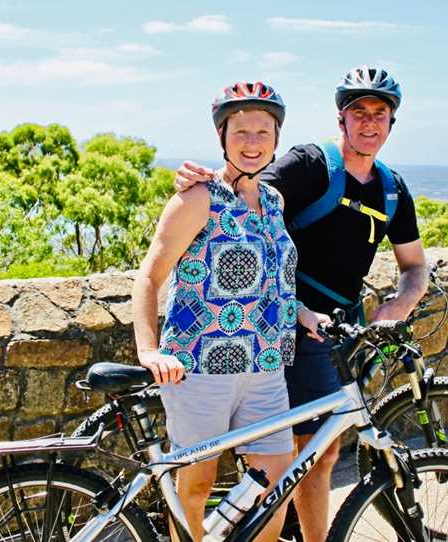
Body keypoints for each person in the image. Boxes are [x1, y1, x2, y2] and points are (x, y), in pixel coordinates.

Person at [173, 66, 429, 542]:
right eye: (359, 113)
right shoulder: (311, 165)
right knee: (298, 454)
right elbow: (244, 187)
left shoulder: (392, 189)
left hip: (334, 329)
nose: (369, 123)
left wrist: (397, 307)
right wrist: (197, 178)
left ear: (392, 124)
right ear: (341, 119)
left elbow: (415, 265)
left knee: (317, 452)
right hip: (281, 326)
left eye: (380, 114)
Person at [132, 81, 328, 542]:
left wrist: (303, 314)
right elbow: (149, 276)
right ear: (222, 136)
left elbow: (270, 283)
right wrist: (148, 349)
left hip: (265, 368)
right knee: (196, 485)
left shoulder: (275, 203)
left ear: (277, 140)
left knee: (276, 486)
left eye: (263, 132)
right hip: (200, 368)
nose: (253, 142)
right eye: (241, 131)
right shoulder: (198, 198)